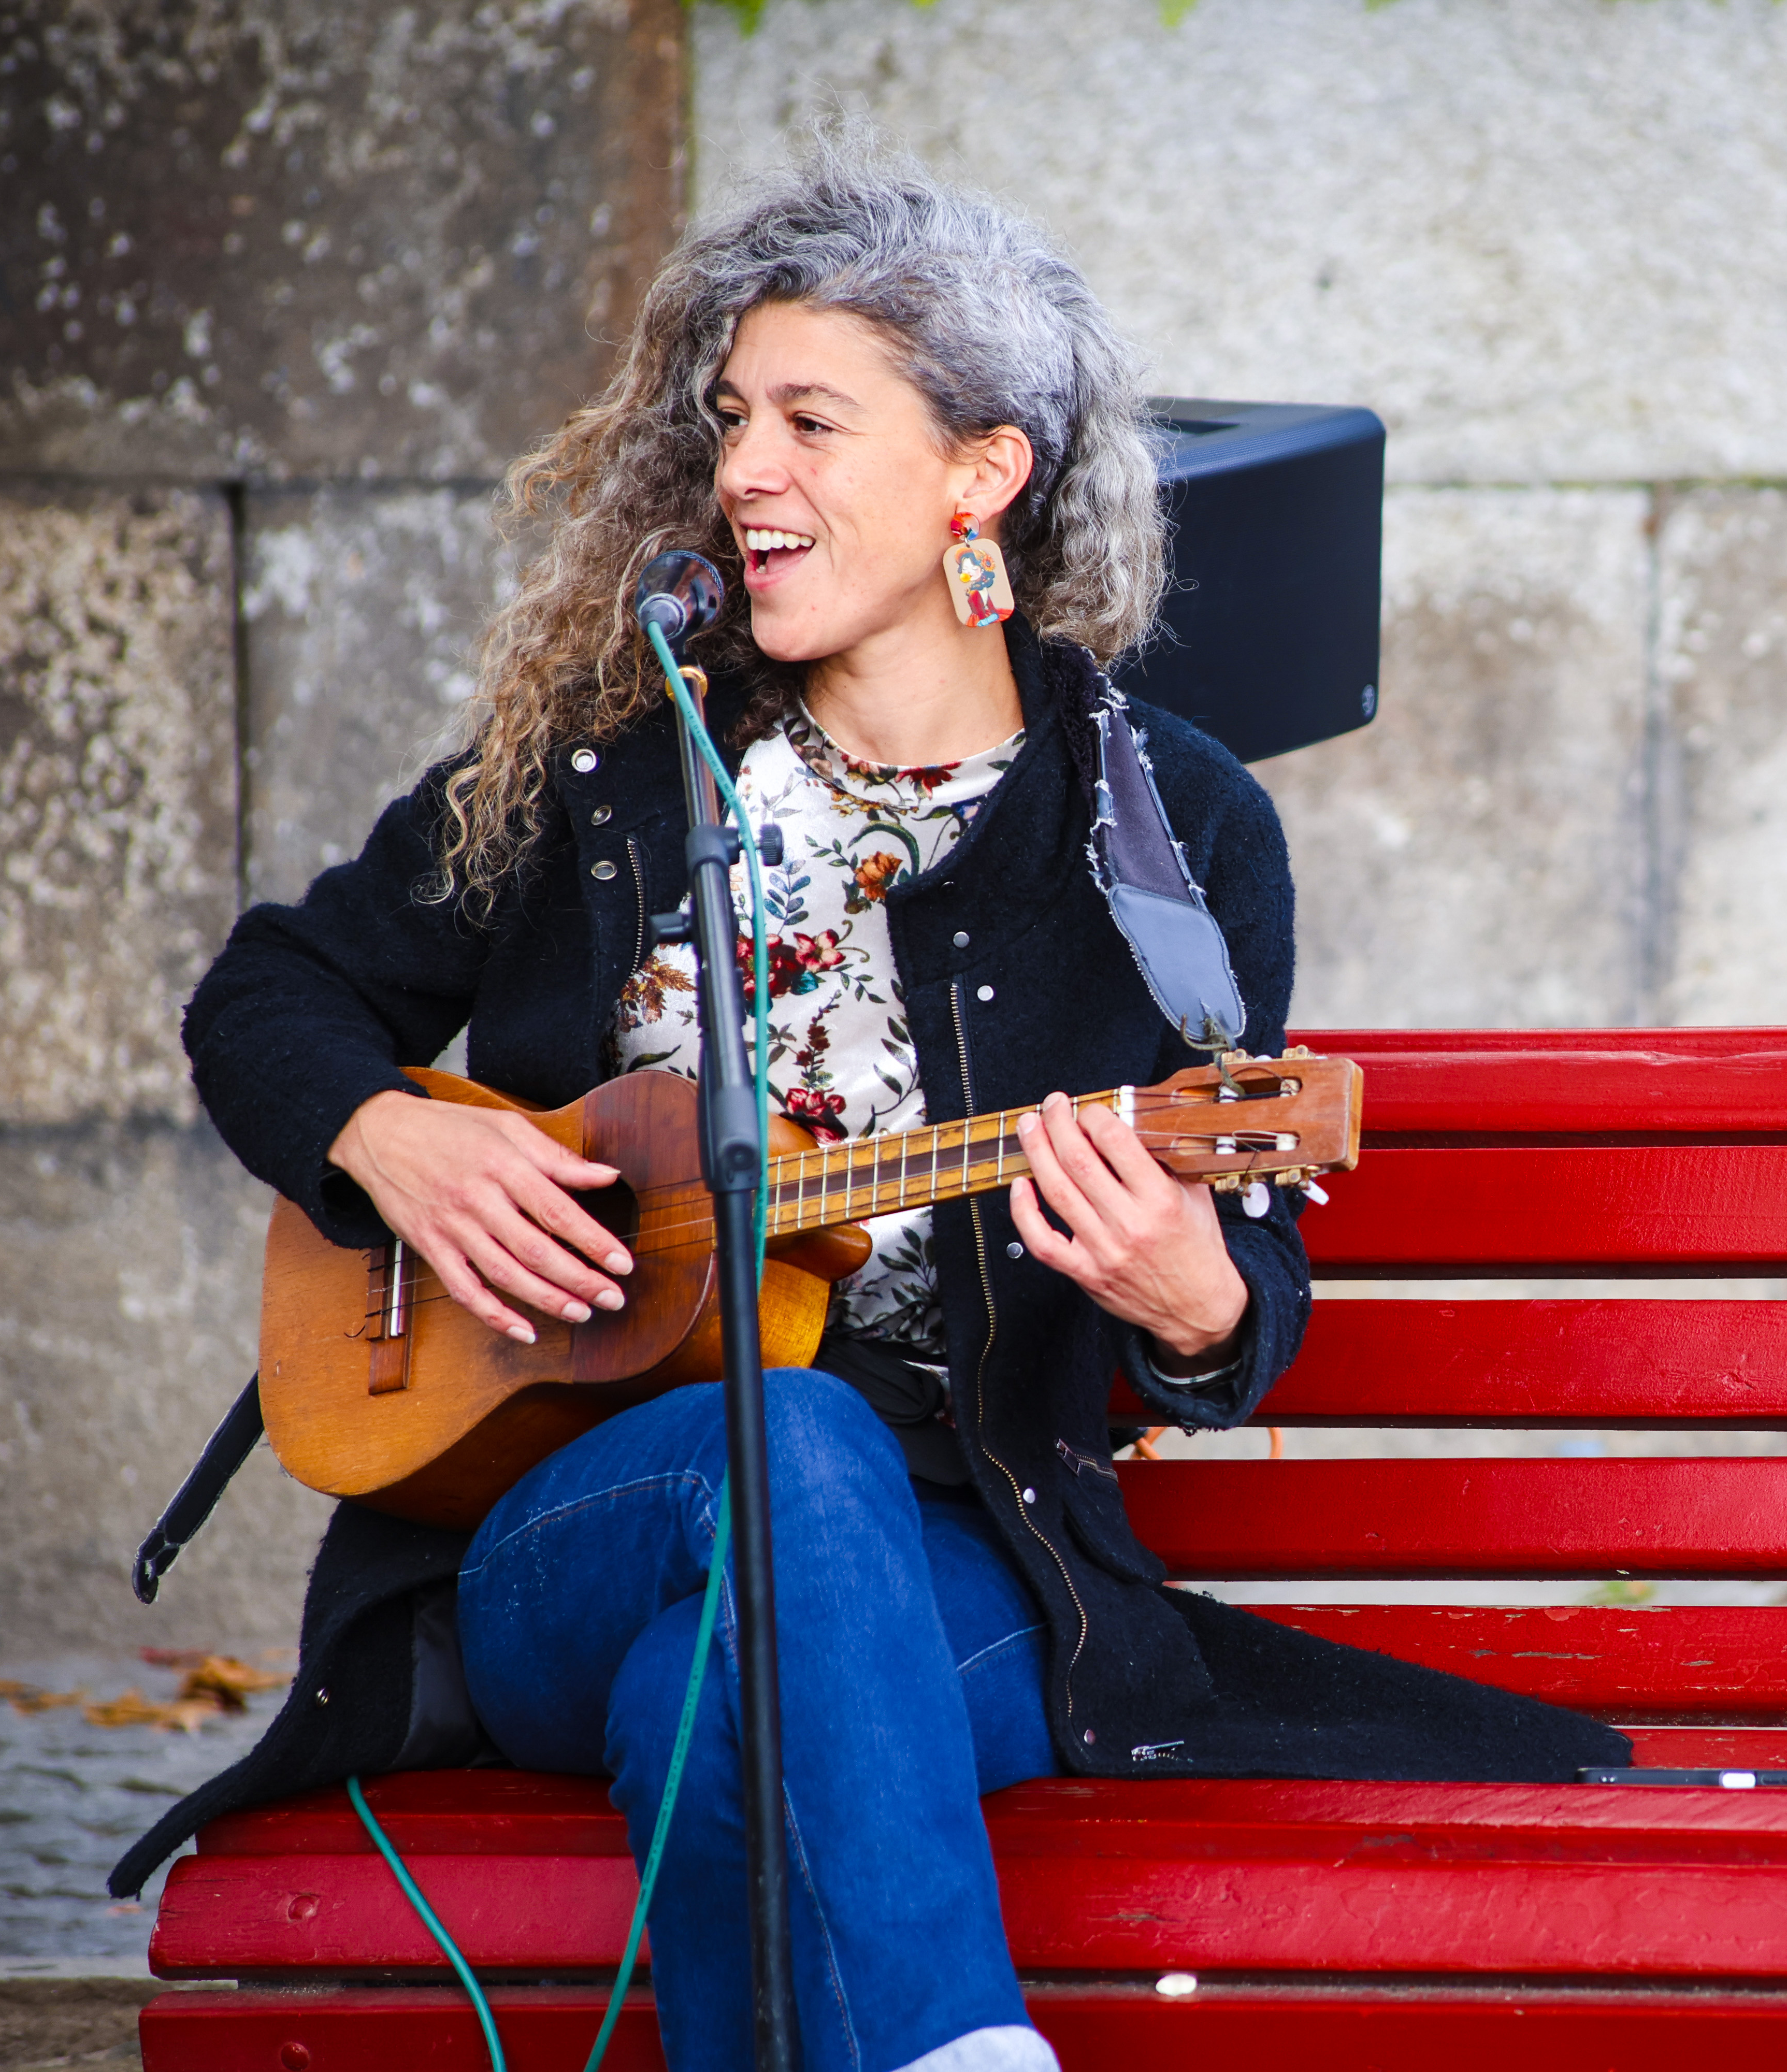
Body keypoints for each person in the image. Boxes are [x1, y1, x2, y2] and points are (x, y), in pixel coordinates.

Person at [140, 138, 1624, 2072]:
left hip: (966, 1548)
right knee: (792, 1445)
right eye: (735, 417)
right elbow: (269, 992)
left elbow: (1240, 1300)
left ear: (979, 478)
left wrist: (1188, 1296)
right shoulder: (610, 779)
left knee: (726, 1677)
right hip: (545, 1529)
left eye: (813, 421)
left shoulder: (1166, 833)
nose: (745, 467)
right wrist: (391, 1136)